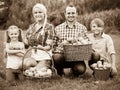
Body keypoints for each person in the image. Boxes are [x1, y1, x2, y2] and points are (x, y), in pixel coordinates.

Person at [53, 4, 88, 76]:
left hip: (77, 57)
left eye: (73, 13)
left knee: (81, 69)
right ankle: (60, 71)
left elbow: (86, 44)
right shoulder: (58, 28)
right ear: (65, 14)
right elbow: (54, 45)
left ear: (77, 14)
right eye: (68, 13)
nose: (71, 15)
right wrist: (63, 44)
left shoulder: (83, 28)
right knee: (56, 57)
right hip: (62, 56)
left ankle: (74, 70)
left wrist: (78, 41)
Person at [23, 3, 54, 75]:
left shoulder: (49, 27)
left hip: (45, 58)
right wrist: (21, 41)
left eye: (40, 12)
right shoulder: (32, 27)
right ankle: (36, 69)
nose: (38, 14)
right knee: (23, 64)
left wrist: (43, 48)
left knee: (38, 73)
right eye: (35, 13)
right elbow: (27, 45)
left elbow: (49, 46)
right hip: (34, 57)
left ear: (44, 13)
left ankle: (46, 68)